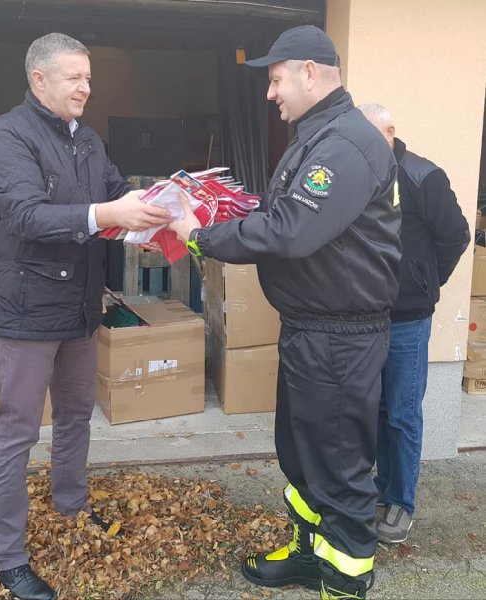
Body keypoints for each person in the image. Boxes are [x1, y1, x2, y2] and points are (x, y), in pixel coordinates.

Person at [170, 25, 401, 600]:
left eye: (276, 79)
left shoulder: (345, 145)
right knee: (302, 455)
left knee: (339, 466)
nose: (270, 93)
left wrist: (203, 235)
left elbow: (292, 229)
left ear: (310, 73)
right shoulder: (319, 136)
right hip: (311, 331)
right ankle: (308, 555)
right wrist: (223, 212)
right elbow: (285, 214)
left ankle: (344, 582)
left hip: (339, 339)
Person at [0, 33, 170, 600]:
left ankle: (71, 504)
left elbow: (115, 194)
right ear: (39, 79)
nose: (86, 88)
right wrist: (110, 213)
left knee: (76, 415)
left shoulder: (87, 140)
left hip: (81, 306)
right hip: (27, 309)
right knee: (16, 431)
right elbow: (26, 215)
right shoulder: (8, 136)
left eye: (88, 78)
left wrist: (158, 215)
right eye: (74, 78)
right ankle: (8, 555)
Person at [358, 103, 470, 544]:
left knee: (403, 413)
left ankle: (401, 503)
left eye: (369, 137)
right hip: (366, 317)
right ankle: (382, 487)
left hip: (408, 319)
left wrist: (425, 282)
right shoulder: (360, 174)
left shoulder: (424, 176)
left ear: (390, 132)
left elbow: (456, 235)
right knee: (377, 410)